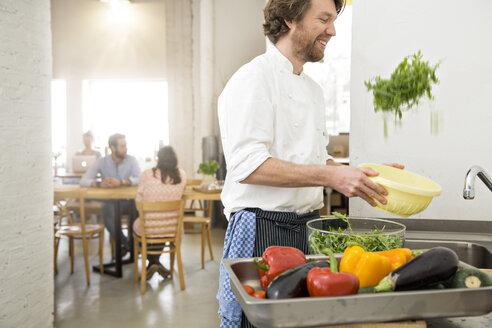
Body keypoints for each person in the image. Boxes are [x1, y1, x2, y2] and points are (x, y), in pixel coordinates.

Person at [216, 0, 403, 327]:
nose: (332, 30)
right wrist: (331, 174)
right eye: (324, 19)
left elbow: (313, 160)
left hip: (305, 227)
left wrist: (354, 174)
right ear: (290, 19)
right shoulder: (253, 79)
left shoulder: (313, 90)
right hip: (261, 228)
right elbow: (248, 166)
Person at [80, 133, 141, 255]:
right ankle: (128, 245)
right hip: (111, 203)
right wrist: (99, 184)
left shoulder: (132, 160)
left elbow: (140, 178)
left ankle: (133, 246)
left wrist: (122, 182)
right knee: (107, 211)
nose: (125, 149)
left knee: (137, 209)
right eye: (122, 146)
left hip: (129, 202)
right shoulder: (102, 162)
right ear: (113, 148)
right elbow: (83, 180)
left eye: (125, 145)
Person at [133, 146, 187, 280]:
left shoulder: (146, 174)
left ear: (158, 159)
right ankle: (155, 262)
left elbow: (138, 203)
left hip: (149, 229)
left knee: (136, 225)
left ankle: (152, 261)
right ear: (175, 160)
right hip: (172, 229)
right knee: (162, 226)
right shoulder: (182, 175)